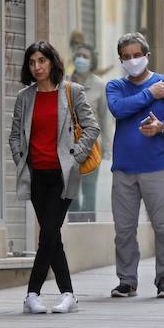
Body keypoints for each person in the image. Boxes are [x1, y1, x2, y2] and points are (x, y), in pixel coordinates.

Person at [9, 41, 101, 314]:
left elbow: (91, 127)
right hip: (36, 174)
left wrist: (76, 157)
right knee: (52, 236)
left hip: (63, 174)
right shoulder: (25, 97)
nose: (37, 67)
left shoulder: (72, 91)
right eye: (32, 62)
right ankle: (68, 294)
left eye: (42, 61)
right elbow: (15, 135)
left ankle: (32, 294)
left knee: (48, 233)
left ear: (52, 62)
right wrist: (20, 159)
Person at [106, 32, 164, 299]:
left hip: (157, 166)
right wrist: (149, 93)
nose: (132, 61)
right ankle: (127, 281)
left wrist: (162, 127)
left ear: (147, 56)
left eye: (137, 55)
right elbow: (119, 109)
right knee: (123, 229)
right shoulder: (115, 87)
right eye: (126, 57)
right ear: (121, 59)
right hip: (123, 169)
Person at [68, 42, 108, 215]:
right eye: (78, 56)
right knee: (70, 191)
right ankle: (74, 226)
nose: (81, 60)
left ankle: (88, 225)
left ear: (92, 62)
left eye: (85, 57)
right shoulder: (65, 82)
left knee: (89, 190)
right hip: (68, 146)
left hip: (92, 146)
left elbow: (105, 118)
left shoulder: (100, 85)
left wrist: (107, 145)